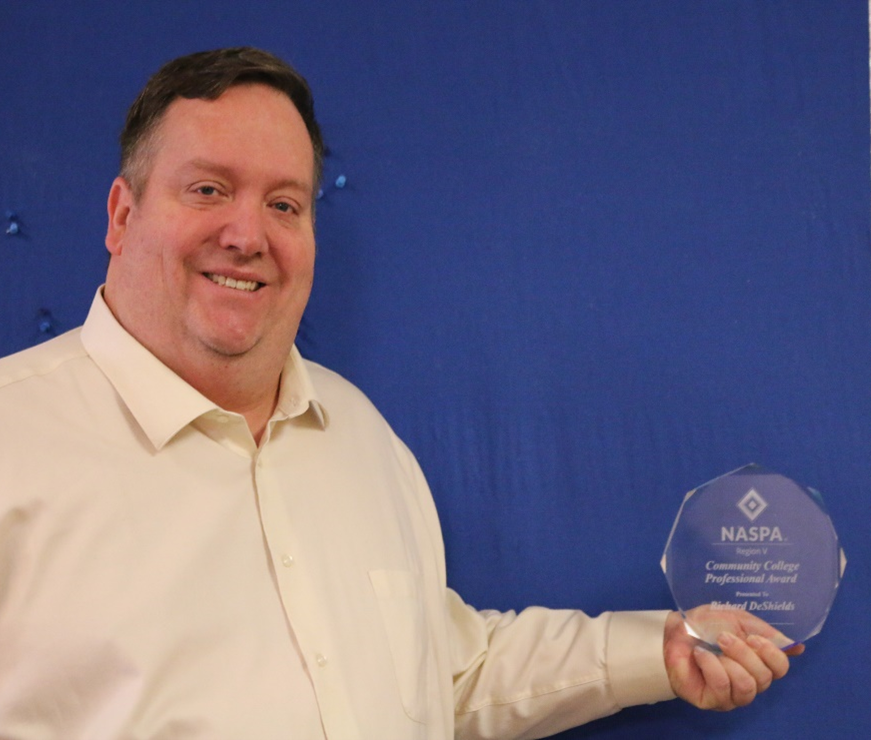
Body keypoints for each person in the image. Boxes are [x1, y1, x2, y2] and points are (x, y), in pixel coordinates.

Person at [0, 47, 802, 739]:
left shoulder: (357, 435)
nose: (248, 235)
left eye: (284, 203)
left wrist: (653, 651)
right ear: (121, 212)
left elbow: (435, 675)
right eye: (207, 189)